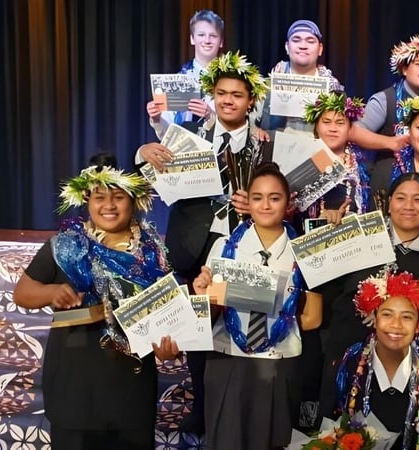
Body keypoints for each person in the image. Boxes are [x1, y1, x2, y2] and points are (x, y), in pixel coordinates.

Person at [137, 50, 270, 434]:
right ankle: (201, 401)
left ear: (250, 101)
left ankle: (245, 404)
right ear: (212, 96)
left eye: (237, 95)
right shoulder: (190, 137)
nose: (228, 100)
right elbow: (147, 165)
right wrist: (141, 150)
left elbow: (280, 192)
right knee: (198, 325)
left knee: (241, 320)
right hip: (194, 240)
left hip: (245, 240)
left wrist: (255, 203)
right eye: (222, 93)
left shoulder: (265, 142)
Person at [13, 157, 180, 449]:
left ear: (134, 201)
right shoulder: (64, 247)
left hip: (131, 389)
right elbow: (23, 293)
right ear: (86, 201)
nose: (109, 206)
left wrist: (167, 348)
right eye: (99, 197)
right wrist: (52, 292)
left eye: (119, 197)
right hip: (74, 386)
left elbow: (169, 316)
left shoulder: (154, 253)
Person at [191, 162, 321, 449]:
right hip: (227, 358)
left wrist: (286, 312)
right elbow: (209, 313)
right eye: (257, 198)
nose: (265, 205)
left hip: (280, 360)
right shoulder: (225, 247)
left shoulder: (304, 252)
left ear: (288, 203)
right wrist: (202, 295)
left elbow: (313, 318)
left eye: (275, 198)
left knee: (272, 440)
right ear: (247, 202)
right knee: (225, 440)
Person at [318, 172, 419, 421]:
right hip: (348, 360)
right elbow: (320, 283)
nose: (408, 206)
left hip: (405, 368)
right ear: (389, 203)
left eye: (418, 199)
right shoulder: (358, 236)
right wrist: (325, 230)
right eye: (401, 198)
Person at [335, 269, 419, 449]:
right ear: (374, 317)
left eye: (407, 317)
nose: (396, 324)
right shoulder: (350, 365)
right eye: (387, 314)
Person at [350, 30, 419, 166]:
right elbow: (354, 133)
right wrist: (391, 142)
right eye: (418, 63)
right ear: (404, 69)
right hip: (392, 176)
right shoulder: (385, 100)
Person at [255, 19, 344, 137]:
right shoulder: (267, 87)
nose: (303, 46)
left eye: (310, 41)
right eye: (296, 40)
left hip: (317, 148)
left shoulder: (333, 89)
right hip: (274, 147)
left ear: (320, 49)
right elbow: (248, 122)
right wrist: (255, 131)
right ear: (287, 47)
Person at [146, 10, 225, 140]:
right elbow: (167, 134)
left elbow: (240, 126)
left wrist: (211, 116)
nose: (207, 40)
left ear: (221, 41)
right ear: (192, 39)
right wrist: (156, 119)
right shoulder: (176, 82)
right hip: (183, 149)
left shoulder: (231, 80)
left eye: (213, 36)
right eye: (201, 35)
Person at [300, 90, 370, 223]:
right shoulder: (301, 162)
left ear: (350, 128)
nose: (333, 129)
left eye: (340, 122)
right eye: (326, 122)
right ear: (316, 127)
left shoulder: (362, 166)